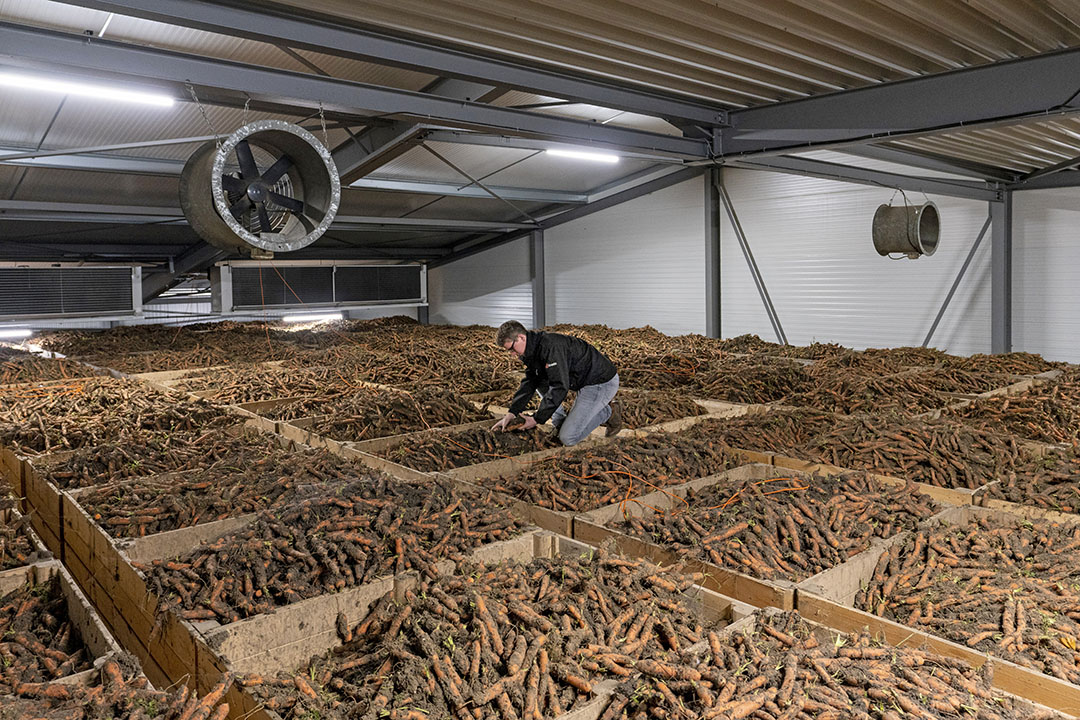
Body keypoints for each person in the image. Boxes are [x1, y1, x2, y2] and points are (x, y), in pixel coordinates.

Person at [491, 320, 621, 446]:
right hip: (580, 379)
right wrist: (512, 412)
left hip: (599, 382)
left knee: (567, 438)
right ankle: (560, 424)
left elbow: (560, 386)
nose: (513, 354)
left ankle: (608, 412)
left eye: (512, 349)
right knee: (539, 379)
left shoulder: (551, 347)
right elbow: (531, 380)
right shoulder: (531, 349)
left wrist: (537, 419)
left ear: (521, 337)